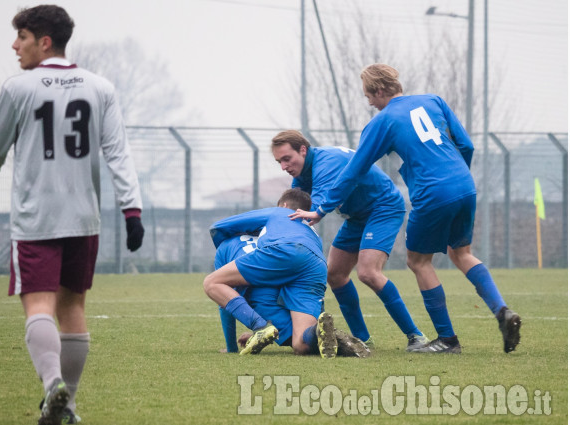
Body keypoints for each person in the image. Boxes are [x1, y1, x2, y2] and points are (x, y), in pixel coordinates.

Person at [0, 5, 145, 424]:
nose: (16, 46)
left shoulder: (19, 88)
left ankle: (53, 386)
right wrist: (132, 209)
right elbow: (117, 152)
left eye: (22, 38)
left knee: (38, 307)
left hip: (36, 219)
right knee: (73, 309)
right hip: (84, 218)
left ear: (44, 41)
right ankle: (66, 407)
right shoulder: (100, 87)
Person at [290, 63, 521, 354]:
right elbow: (466, 144)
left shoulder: (382, 121)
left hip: (431, 193)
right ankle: (501, 310)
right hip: (464, 184)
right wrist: (456, 175)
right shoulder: (433, 100)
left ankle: (447, 340)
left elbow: (354, 171)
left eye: (369, 96)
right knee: (461, 253)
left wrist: (321, 209)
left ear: (380, 90)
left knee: (418, 262)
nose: (370, 103)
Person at [272, 130, 428, 351]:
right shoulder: (302, 174)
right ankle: (363, 339)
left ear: (303, 150)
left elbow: (315, 208)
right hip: (357, 216)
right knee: (334, 274)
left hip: (383, 208)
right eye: (279, 161)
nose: (284, 166)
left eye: (287, 159)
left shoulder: (327, 162)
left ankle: (416, 336)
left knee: (368, 273)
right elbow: (294, 209)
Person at [204, 189, 338, 358]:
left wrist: (225, 247)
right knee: (301, 344)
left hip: (284, 253)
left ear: (284, 205)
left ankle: (260, 327)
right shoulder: (311, 230)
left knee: (211, 283)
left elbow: (218, 227)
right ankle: (318, 333)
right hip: (317, 263)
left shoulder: (278, 212)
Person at [214, 233, 370, 358]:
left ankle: (335, 341)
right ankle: (320, 328)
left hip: (262, 294)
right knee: (303, 326)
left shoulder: (223, 248)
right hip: (292, 278)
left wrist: (231, 348)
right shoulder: (268, 235)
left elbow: (225, 302)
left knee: (299, 343)